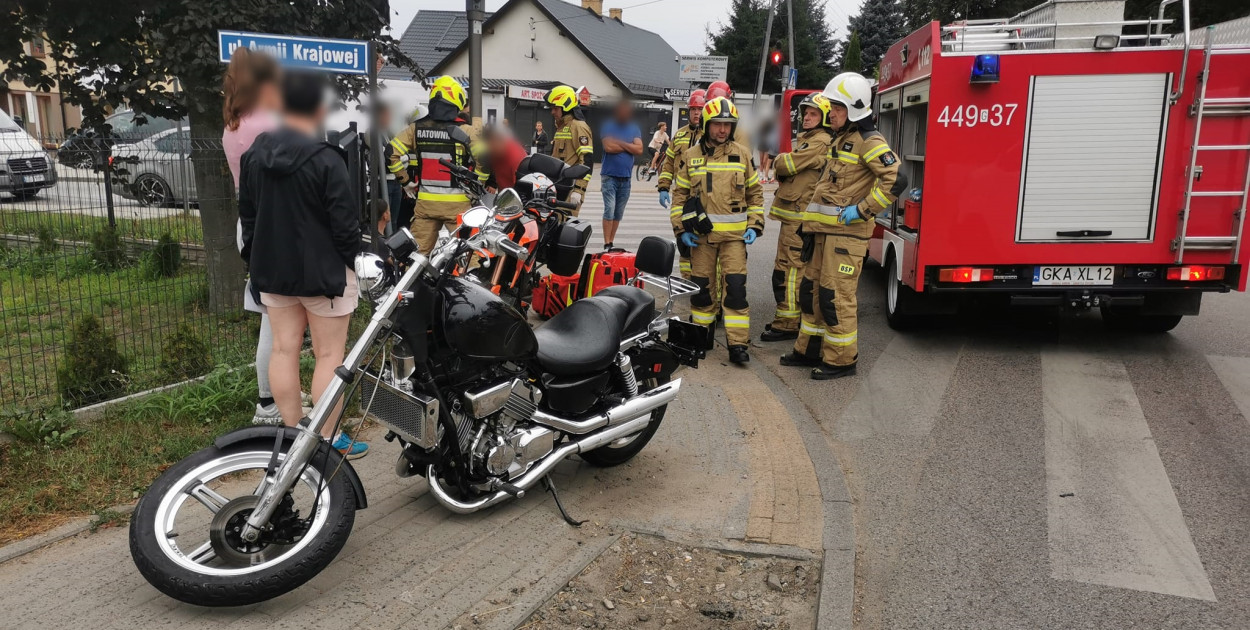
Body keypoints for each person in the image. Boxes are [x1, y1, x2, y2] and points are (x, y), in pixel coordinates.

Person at [238, 70, 368, 458]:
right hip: (325, 276)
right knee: (329, 356)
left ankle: (293, 438)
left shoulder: (254, 156)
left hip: (273, 274)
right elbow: (345, 229)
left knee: (283, 350)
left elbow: (249, 219)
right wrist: (357, 267)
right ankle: (325, 443)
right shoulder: (327, 159)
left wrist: (256, 262)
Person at [781, 72, 905, 380]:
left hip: (846, 238)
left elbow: (896, 179)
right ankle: (808, 349)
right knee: (811, 293)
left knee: (835, 298)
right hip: (823, 235)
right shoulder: (841, 139)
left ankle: (841, 360)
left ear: (854, 108)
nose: (830, 112)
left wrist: (862, 210)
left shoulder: (869, 141)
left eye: (836, 107)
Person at [670, 96, 764, 365]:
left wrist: (755, 225)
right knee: (701, 291)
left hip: (734, 239)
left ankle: (737, 345)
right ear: (708, 125)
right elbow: (680, 198)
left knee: (735, 290)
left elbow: (756, 194)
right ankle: (702, 336)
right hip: (701, 240)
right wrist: (680, 230)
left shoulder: (742, 154)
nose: (723, 130)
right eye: (718, 124)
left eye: (728, 124)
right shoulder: (690, 156)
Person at [221, 47, 285, 426]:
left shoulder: (232, 123)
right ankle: (268, 403)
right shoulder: (267, 123)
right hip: (273, 226)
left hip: (251, 223)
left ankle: (274, 394)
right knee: (277, 321)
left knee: (272, 317)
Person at [761, 93, 835, 342]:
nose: (807, 117)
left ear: (824, 117)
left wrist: (781, 159)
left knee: (791, 270)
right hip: (793, 216)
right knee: (786, 268)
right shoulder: (810, 140)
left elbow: (784, 166)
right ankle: (788, 320)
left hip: (799, 217)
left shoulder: (820, 142)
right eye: (805, 113)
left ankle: (789, 323)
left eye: (813, 113)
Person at [387, 76, 487, 255]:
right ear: (456, 100)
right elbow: (485, 160)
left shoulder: (415, 129)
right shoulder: (466, 130)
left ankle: (412, 283)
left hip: (426, 205)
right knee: (467, 257)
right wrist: (477, 185)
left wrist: (405, 181)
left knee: (417, 256)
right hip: (458, 208)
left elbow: (390, 153)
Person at [658, 89, 706, 279]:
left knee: (702, 241)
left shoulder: (709, 135)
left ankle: (701, 278)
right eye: (693, 109)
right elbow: (668, 164)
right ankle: (687, 280)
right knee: (683, 240)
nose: (696, 113)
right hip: (682, 195)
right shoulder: (678, 135)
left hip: (702, 196)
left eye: (700, 109)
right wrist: (663, 187)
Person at [599, 100, 642, 249]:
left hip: (626, 177)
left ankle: (611, 240)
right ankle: (606, 243)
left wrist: (620, 143)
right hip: (609, 176)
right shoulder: (608, 126)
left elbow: (639, 149)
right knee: (609, 209)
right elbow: (608, 147)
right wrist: (629, 145)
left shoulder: (634, 128)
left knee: (618, 213)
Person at [546, 85, 593, 215]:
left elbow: (587, 161)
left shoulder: (579, 126)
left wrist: (579, 190)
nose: (552, 112)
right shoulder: (562, 127)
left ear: (566, 106)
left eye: (555, 108)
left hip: (570, 190)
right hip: (557, 186)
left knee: (563, 228)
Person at [482, 124, 529, 190]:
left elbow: (521, 192)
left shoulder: (516, 158)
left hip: (515, 195)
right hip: (504, 193)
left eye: (493, 146)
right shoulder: (494, 153)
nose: (491, 150)